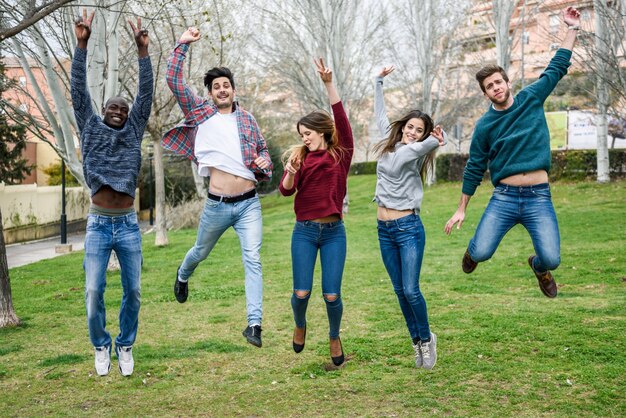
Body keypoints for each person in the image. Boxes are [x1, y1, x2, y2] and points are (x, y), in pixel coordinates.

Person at [444, 7, 582, 299]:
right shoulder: (484, 126)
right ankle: (473, 252)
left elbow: (557, 66)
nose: (495, 87)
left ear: (507, 82)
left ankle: (538, 267)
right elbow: (474, 167)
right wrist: (461, 208)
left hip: (538, 196)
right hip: (504, 198)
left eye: (498, 82)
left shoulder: (531, 98)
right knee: (481, 251)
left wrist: (572, 29)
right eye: (489, 86)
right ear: (485, 94)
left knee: (552, 258)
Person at [162, 27, 273, 348]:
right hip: (217, 204)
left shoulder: (248, 119)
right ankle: (183, 275)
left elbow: (263, 150)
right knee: (200, 251)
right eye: (216, 86)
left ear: (234, 90)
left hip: (249, 203)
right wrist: (182, 45)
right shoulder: (200, 111)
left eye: (226, 85)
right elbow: (173, 81)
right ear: (210, 93)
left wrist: (264, 161)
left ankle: (254, 324)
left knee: (253, 259)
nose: (222, 90)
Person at [71, 9, 153, 376]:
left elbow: (146, 94)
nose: (119, 111)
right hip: (99, 224)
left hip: (129, 225)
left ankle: (126, 344)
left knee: (133, 292)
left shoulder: (134, 130)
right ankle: (101, 345)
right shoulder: (90, 126)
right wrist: (82, 45)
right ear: (103, 110)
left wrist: (143, 53)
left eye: (124, 108)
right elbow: (77, 89)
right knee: (93, 294)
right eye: (113, 107)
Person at [279, 58, 354, 367]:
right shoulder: (301, 159)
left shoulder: (341, 155)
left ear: (322, 132)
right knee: (301, 292)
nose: (304, 138)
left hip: (334, 233)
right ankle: (300, 324)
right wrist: (290, 172)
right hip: (305, 232)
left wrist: (328, 84)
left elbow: (342, 120)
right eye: (301, 135)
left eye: (307, 133)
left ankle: (334, 336)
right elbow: (285, 191)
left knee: (331, 295)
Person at [373, 66, 445, 370]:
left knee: (411, 289)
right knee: (399, 290)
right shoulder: (389, 146)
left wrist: (435, 137)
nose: (412, 132)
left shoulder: (416, 150)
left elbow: (433, 143)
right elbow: (379, 116)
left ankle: (427, 340)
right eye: (410, 127)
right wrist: (378, 82)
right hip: (384, 228)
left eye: (419, 129)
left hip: (408, 228)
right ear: (403, 126)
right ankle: (416, 342)